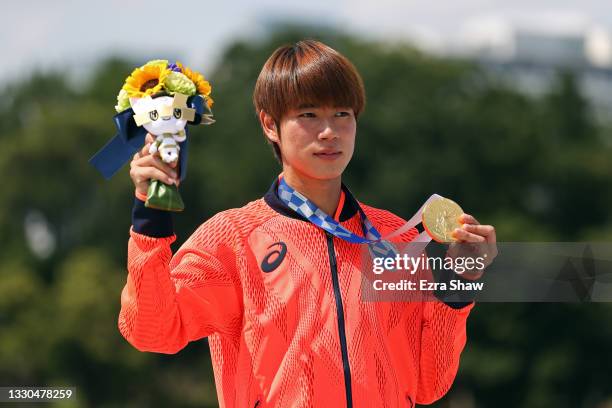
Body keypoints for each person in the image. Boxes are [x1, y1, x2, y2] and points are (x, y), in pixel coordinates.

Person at [119, 39, 497, 407]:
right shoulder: (232, 238)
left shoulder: (394, 236)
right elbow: (152, 330)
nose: (329, 131)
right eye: (309, 115)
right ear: (271, 125)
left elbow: (429, 382)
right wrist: (150, 217)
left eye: (342, 114)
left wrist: (458, 278)